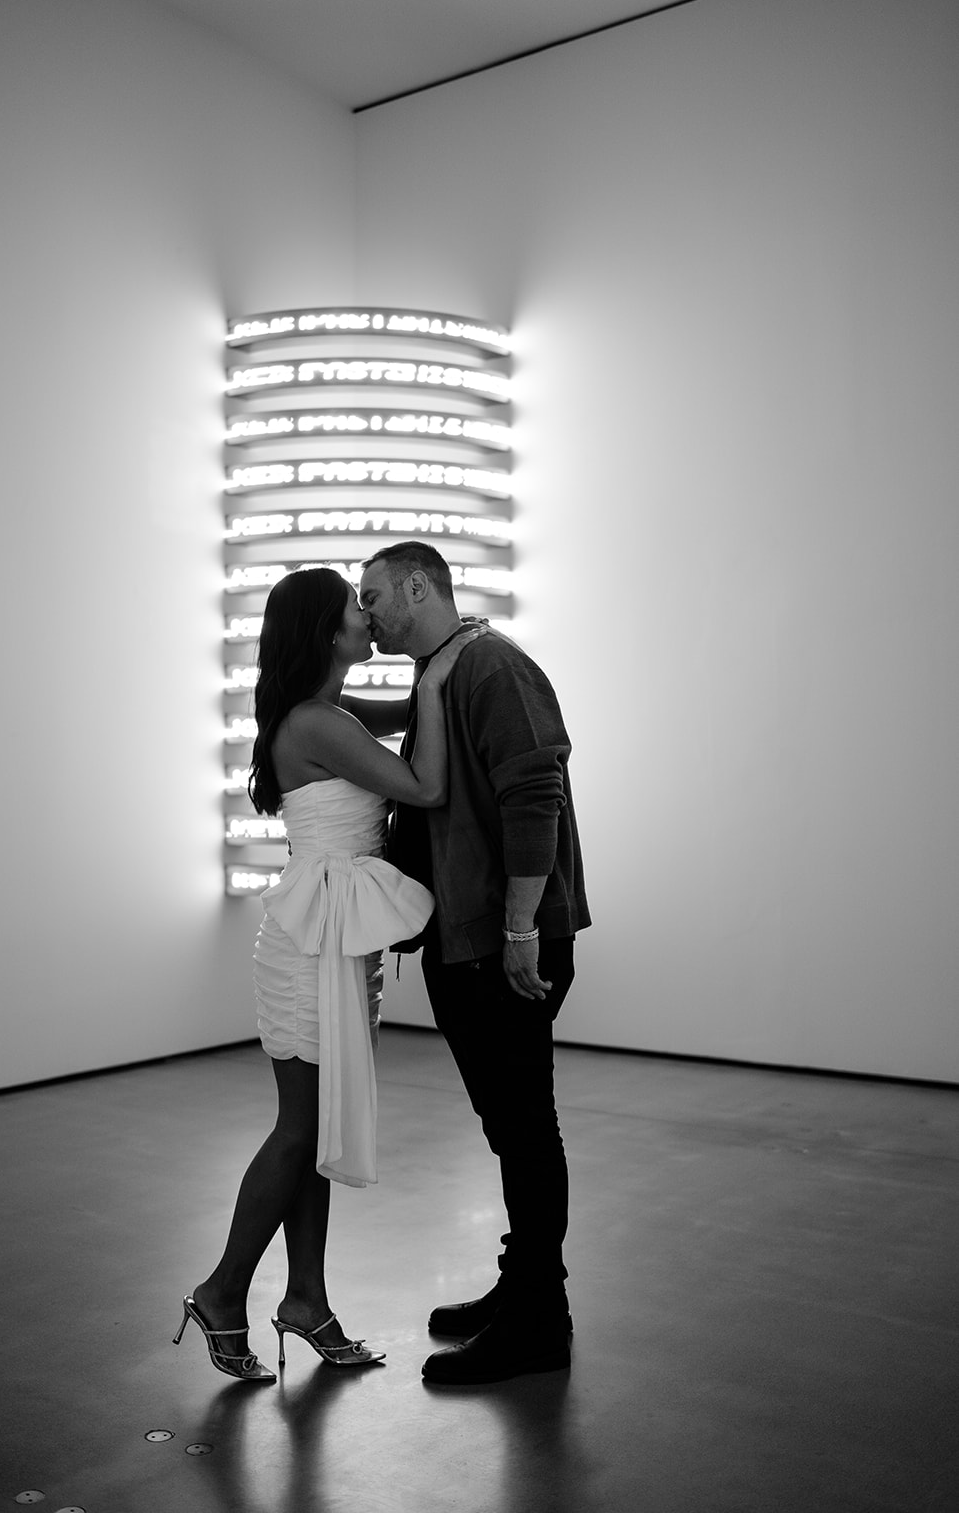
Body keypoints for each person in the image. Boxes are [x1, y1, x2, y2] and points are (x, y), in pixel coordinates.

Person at [175, 566, 480, 1381]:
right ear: (326, 630)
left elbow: (411, 713)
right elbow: (426, 782)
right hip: (311, 950)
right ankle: (221, 1291)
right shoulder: (315, 722)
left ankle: (305, 1298)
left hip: (337, 945)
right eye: (355, 609)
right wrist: (443, 667)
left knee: (317, 1128)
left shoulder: (331, 712)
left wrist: (437, 666)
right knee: (301, 1128)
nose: (367, 617)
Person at [358, 541, 591, 1385]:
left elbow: (536, 791)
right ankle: (524, 1285)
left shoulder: (490, 664)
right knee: (508, 1124)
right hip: (471, 939)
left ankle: (538, 1320)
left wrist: (522, 929)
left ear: (419, 585)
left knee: (525, 1127)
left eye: (375, 595)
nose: (368, 612)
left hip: (505, 941)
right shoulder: (439, 670)